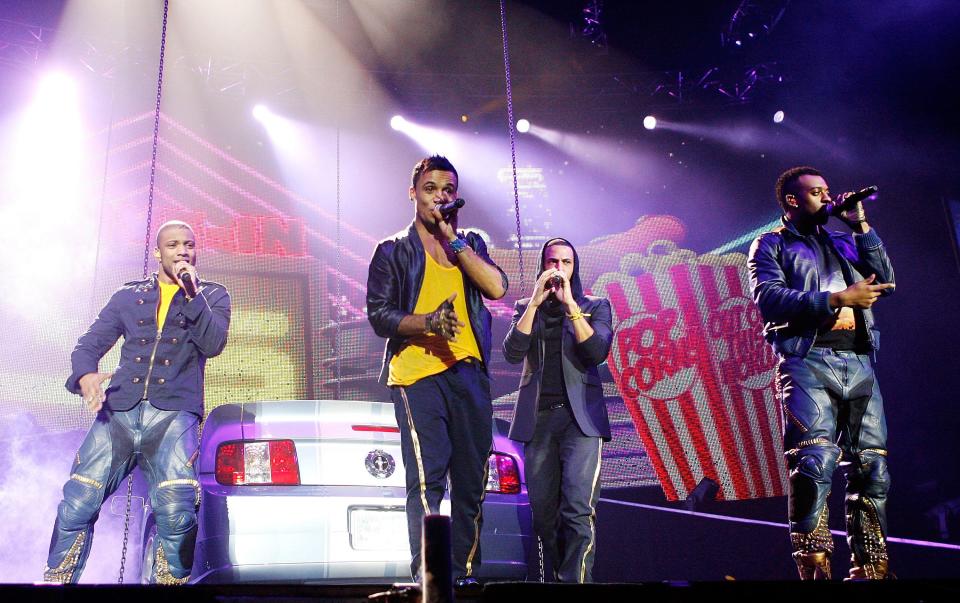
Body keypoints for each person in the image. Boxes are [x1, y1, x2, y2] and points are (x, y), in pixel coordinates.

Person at [43, 220, 230, 584]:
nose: (183, 252)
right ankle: (57, 581)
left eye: (189, 245)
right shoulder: (128, 295)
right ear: (158, 252)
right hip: (119, 414)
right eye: (173, 245)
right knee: (78, 501)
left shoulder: (212, 296)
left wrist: (192, 294)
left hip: (173, 415)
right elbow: (89, 343)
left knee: (176, 511)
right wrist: (85, 376)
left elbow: (213, 344)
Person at [747, 167, 896, 580]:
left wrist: (861, 225)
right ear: (793, 201)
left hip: (860, 362)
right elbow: (770, 298)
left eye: (828, 191)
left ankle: (872, 567)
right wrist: (837, 298)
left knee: (872, 466)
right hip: (808, 360)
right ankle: (814, 569)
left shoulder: (845, 243)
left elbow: (887, 280)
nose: (827, 199)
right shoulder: (771, 244)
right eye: (816, 193)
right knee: (814, 463)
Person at [366, 155, 508, 584]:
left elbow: (497, 287)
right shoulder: (392, 250)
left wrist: (453, 239)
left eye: (447, 190)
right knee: (429, 479)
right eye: (431, 189)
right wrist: (429, 322)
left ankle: (464, 575)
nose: (440, 197)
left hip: (468, 372)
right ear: (414, 193)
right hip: (416, 374)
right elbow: (380, 315)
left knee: (471, 479)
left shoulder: (469, 245)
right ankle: (429, 575)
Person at [502, 238, 613, 583]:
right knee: (544, 516)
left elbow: (596, 351)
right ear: (543, 266)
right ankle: (557, 579)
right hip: (539, 422)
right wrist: (535, 303)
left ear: (574, 267)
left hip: (581, 423)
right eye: (553, 262)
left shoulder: (595, 305)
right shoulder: (526, 306)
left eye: (566, 262)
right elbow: (511, 352)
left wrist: (571, 308)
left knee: (578, 511)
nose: (559, 269)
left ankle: (576, 584)